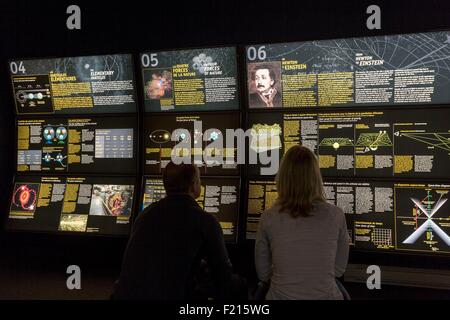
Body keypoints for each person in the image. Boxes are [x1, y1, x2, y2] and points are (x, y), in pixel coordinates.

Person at [113, 162, 233, 300]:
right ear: (193, 185)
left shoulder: (145, 214)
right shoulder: (205, 220)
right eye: (199, 180)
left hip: (128, 295)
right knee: (236, 284)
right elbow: (223, 271)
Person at [255, 145, 349, 300]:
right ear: (316, 177)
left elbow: (263, 273)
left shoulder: (268, 217)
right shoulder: (336, 215)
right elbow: (338, 270)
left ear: (283, 177)